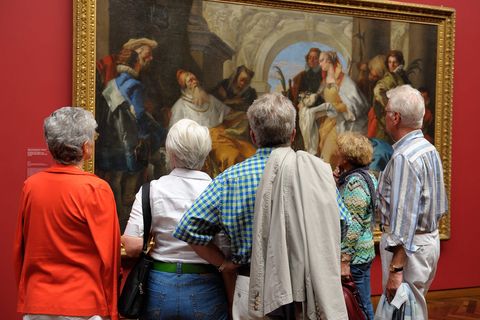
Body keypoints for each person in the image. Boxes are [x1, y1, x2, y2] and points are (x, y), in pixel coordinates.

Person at [173, 93, 351, 319]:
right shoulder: (316, 174)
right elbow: (342, 226)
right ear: (294, 134)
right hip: (306, 289)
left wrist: (224, 263)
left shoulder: (231, 179)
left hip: (252, 287)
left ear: (253, 136)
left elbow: (188, 228)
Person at [14, 107, 121, 320]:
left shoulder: (31, 186)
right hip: (84, 304)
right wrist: (112, 310)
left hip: (38, 303)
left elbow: (21, 249)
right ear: (85, 147)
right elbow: (110, 257)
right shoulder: (96, 189)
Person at [122, 119, 228, 319]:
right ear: (206, 154)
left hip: (159, 286)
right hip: (206, 285)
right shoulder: (218, 192)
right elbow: (225, 248)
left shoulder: (151, 190)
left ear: (170, 153)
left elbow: (132, 247)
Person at [376, 85, 448, 320]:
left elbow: (404, 218)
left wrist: (396, 270)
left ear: (395, 118)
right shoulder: (429, 148)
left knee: (404, 314)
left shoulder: (405, 157)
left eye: (386, 111)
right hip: (427, 243)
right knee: (414, 309)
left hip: (408, 251)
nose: (384, 115)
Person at [96, 45, 167, 231]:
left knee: (115, 179)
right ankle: (126, 220)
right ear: (135, 64)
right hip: (128, 141)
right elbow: (140, 115)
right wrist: (146, 136)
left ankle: (115, 220)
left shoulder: (112, 83)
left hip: (112, 140)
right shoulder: (134, 85)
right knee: (132, 180)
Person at [171, 69, 256, 176]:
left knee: (250, 152)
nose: (193, 82)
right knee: (231, 156)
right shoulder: (180, 106)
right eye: (189, 81)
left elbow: (229, 113)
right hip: (204, 140)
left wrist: (246, 115)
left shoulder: (209, 99)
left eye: (194, 79)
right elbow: (175, 133)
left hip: (223, 135)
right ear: (184, 86)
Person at [334, 132, 377, 320]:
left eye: (340, 151)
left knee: (359, 305)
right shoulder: (365, 176)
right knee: (362, 302)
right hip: (362, 253)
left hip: (355, 257)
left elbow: (354, 223)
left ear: (347, 156)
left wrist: (344, 260)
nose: (336, 153)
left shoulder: (355, 182)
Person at [298, 51, 369, 164]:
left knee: (329, 154)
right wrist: (305, 102)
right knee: (323, 150)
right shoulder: (325, 81)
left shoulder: (344, 80)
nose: (320, 64)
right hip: (328, 121)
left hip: (342, 123)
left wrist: (336, 107)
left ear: (329, 61)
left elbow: (357, 104)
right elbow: (317, 97)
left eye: (321, 60)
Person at [371, 50, 410, 143]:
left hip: (400, 122)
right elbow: (377, 91)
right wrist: (390, 106)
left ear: (400, 64)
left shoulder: (402, 77)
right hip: (386, 123)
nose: (392, 65)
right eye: (389, 62)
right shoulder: (387, 79)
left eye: (395, 62)